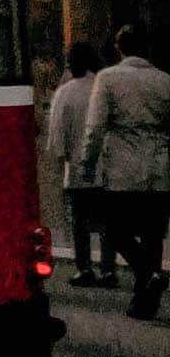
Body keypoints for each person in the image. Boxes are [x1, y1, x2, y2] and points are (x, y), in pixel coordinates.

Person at [81, 25, 170, 320]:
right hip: (159, 167)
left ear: (119, 48)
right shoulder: (164, 80)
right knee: (152, 234)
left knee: (116, 231)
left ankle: (148, 274)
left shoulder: (108, 79)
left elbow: (95, 128)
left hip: (123, 167)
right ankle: (145, 300)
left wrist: (87, 164)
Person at [46, 42, 115, 288]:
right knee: (108, 222)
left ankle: (84, 268)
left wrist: (61, 158)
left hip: (76, 168)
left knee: (79, 221)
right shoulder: (104, 87)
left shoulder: (65, 93)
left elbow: (57, 135)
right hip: (107, 168)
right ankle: (109, 269)